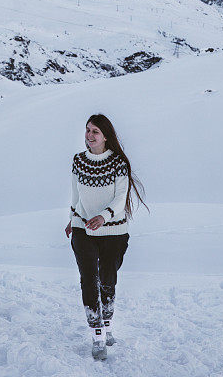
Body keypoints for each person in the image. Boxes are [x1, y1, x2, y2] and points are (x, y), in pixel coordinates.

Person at [64, 114, 148, 361]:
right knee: (88, 279)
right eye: (88, 130)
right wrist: (72, 219)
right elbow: (75, 195)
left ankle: (107, 319)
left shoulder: (118, 163)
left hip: (113, 231)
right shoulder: (78, 161)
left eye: (95, 132)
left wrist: (103, 217)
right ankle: (97, 334)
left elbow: (120, 198)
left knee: (107, 280)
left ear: (106, 136)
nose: (89, 136)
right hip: (83, 229)